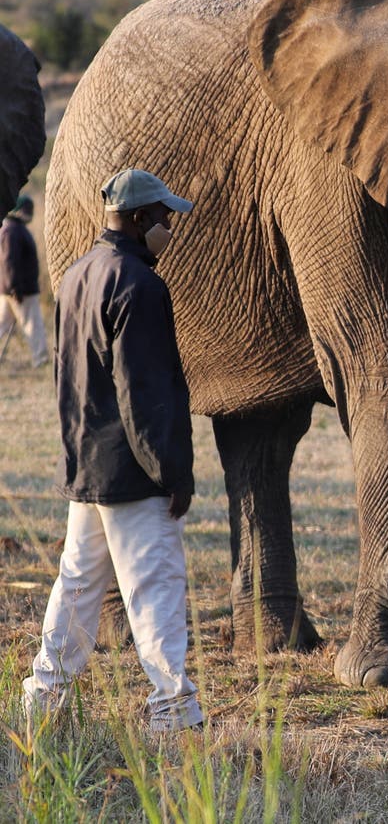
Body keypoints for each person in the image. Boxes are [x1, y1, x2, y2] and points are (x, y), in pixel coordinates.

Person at [23, 169, 203, 734]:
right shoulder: (141, 285)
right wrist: (171, 472)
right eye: (165, 218)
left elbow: (68, 379)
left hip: (86, 468)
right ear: (142, 219)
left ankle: (41, 702)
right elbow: (143, 393)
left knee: (76, 588)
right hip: (133, 474)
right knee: (156, 590)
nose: (170, 228)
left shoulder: (76, 275)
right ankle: (173, 715)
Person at [0, 194, 49, 367]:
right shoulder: (12, 230)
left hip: (12, 289)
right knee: (33, 325)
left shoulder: (12, 228)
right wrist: (15, 288)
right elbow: (9, 261)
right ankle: (41, 359)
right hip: (21, 291)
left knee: (2, 324)